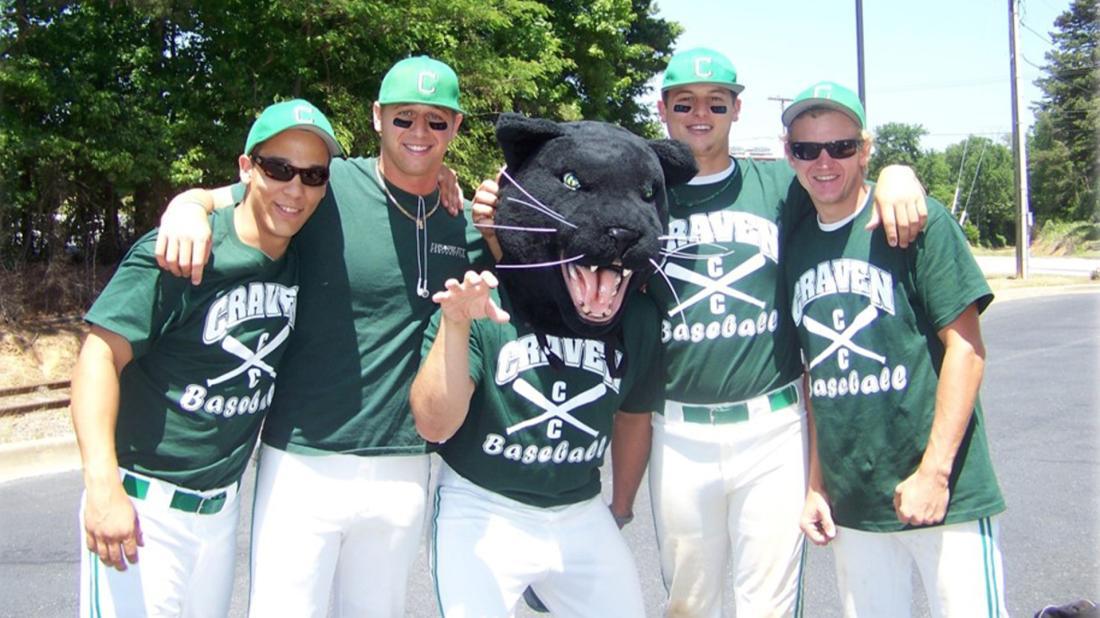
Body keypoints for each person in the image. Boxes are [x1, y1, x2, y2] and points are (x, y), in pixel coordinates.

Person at [473, 47, 928, 617]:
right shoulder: (644, 191)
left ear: (737, 109)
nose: (700, 114)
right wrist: (501, 208)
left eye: (717, 102)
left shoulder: (777, 186)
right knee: (689, 602)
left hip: (772, 428)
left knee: (770, 602)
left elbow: (840, 186)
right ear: (663, 110)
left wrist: (895, 172)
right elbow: (553, 222)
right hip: (680, 429)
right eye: (684, 103)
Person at [154, 56, 475, 617]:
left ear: (456, 126)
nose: (418, 133)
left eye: (435, 120)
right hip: (301, 460)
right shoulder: (324, 184)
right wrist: (188, 204)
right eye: (403, 118)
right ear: (377, 117)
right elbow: (241, 194)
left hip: (402, 465)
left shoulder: (462, 218)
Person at [71, 98, 341, 617]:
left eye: (312, 175)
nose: (295, 188)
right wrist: (103, 488)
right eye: (278, 168)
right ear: (247, 168)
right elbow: (98, 359)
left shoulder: (304, 253)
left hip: (220, 517)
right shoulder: (184, 250)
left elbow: (402, 170)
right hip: (142, 509)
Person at [780, 80, 1006, 617]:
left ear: (866, 148)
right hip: (852, 504)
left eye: (842, 146)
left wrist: (935, 474)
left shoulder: (917, 221)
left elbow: (967, 350)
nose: (825, 161)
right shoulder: (796, 240)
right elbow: (817, 372)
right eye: (807, 149)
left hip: (946, 496)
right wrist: (817, 485)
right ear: (789, 153)